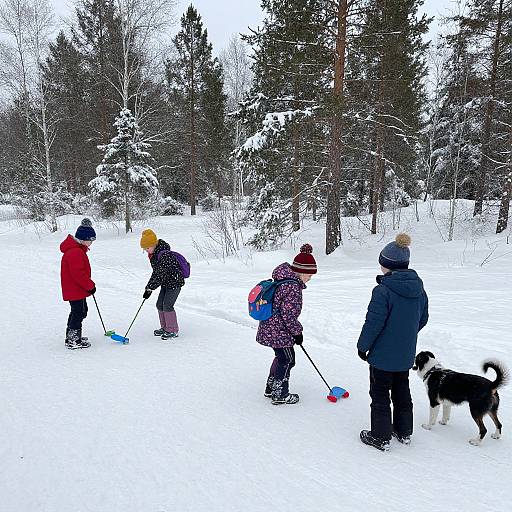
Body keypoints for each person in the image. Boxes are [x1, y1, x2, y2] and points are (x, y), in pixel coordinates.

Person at [357, 233, 429, 451]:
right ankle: (404, 430)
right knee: (401, 390)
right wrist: (405, 334)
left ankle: (380, 436)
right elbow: (423, 318)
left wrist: (363, 346)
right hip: (405, 353)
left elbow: (374, 322)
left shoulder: (383, 290)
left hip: (382, 356)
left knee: (379, 393)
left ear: (387, 265)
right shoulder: (418, 288)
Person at [256, 243, 317, 405]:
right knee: (288, 360)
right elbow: (289, 315)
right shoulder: (292, 287)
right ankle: (280, 393)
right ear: (301, 272)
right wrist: (297, 333)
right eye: (309, 275)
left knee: (281, 357)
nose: (310, 279)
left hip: (269, 327)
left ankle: (271, 387)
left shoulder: (282, 280)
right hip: (279, 331)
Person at [140, 229, 185, 339]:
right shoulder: (154, 255)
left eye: (147, 248)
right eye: (144, 249)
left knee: (167, 305)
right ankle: (165, 327)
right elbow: (156, 273)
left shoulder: (165, 255)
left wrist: (151, 287)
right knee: (159, 304)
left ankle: (173, 330)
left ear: (154, 244)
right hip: (166, 283)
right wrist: (148, 287)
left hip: (174, 283)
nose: (146, 250)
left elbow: (161, 274)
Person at [60, 218, 97, 350]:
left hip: (76, 289)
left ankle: (72, 336)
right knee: (79, 312)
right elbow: (78, 274)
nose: (92, 242)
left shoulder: (77, 250)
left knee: (80, 311)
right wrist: (90, 285)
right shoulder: (75, 252)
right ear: (83, 239)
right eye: (90, 240)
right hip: (75, 289)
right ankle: (73, 340)